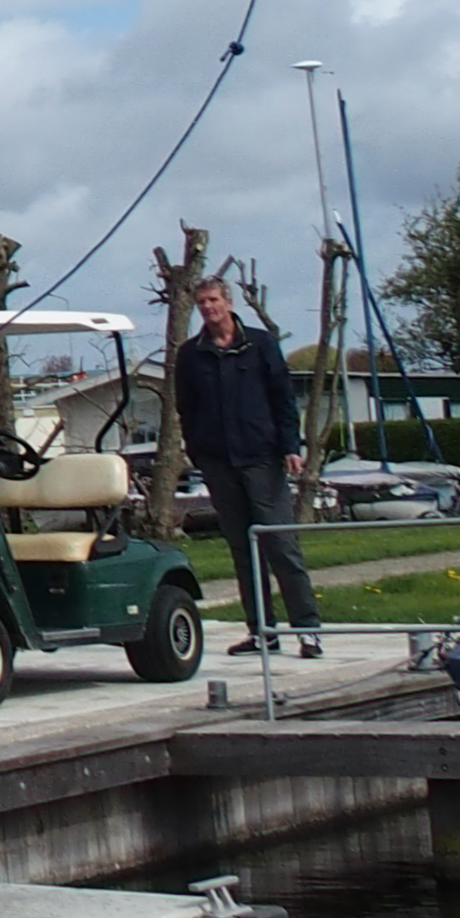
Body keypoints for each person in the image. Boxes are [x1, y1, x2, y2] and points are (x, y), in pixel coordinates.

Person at [173, 276, 323, 659]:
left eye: (214, 300)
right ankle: (261, 631)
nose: (208, 307)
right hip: (218, 461)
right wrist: (196, 450)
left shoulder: (260, 344)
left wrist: (291, 447)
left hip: (262, 457)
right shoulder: (191, 354)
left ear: (229, 302)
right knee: (243, 549)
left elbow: (283, 400)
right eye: (202, 302)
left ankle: (307, 630)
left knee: (281, 544)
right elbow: (185, 407)